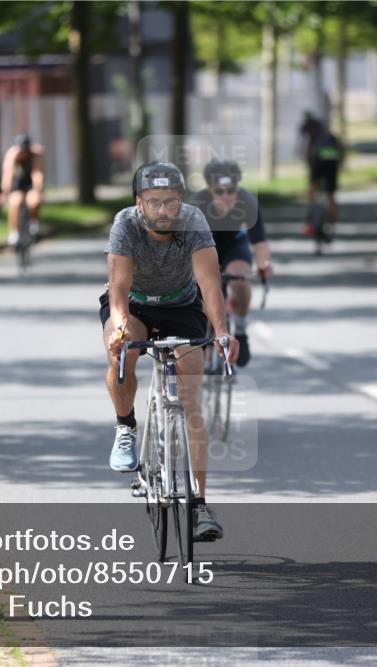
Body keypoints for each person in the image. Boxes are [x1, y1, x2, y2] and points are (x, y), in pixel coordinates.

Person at [101, 162, 239, 542]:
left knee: (192, 400)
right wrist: (121, 327)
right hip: (135, 305)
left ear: (181, 201)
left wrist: (223, 333)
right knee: (122, 352)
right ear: (139, 203)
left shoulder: (193, 222)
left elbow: (210, 285)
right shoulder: (125, 225)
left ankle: (199, 505)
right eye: (154, 202)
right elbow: (119, 287)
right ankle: (126, 427)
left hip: (181, 308)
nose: (163, 211)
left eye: (171, 202)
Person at [188, 159, 273, 367]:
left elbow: (259, 241)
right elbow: (182, 245)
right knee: (204, 289)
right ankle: (205, 340)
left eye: (231, 190)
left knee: (240, 280)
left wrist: (264, 264)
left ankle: (242, 331)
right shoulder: (196, 205)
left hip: (235, 245)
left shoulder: (247, 201)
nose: (226, 196)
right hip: (205, 248)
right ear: (209, 189)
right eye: (219, 191)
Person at [298, 112, 342, 238]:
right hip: (332, 165)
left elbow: (306, 149)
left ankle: (309, 220)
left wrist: (307, 159)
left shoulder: (309, 130)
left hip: (317, 164)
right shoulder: (330, 136)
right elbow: (340, 152)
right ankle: (333, 223)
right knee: (331, 194)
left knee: (312, 188)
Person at [0, 133, 45, 247]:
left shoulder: (34, 154)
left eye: (25, 151)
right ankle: (14, 232)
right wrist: (5, 193)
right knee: (15, 203)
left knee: (34, 201)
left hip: (30, 183)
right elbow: (7, 175)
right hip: (16, 184)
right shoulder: (12, 155)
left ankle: (33, 223)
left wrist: (38, 190)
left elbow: (37, 174)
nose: (23, 153)